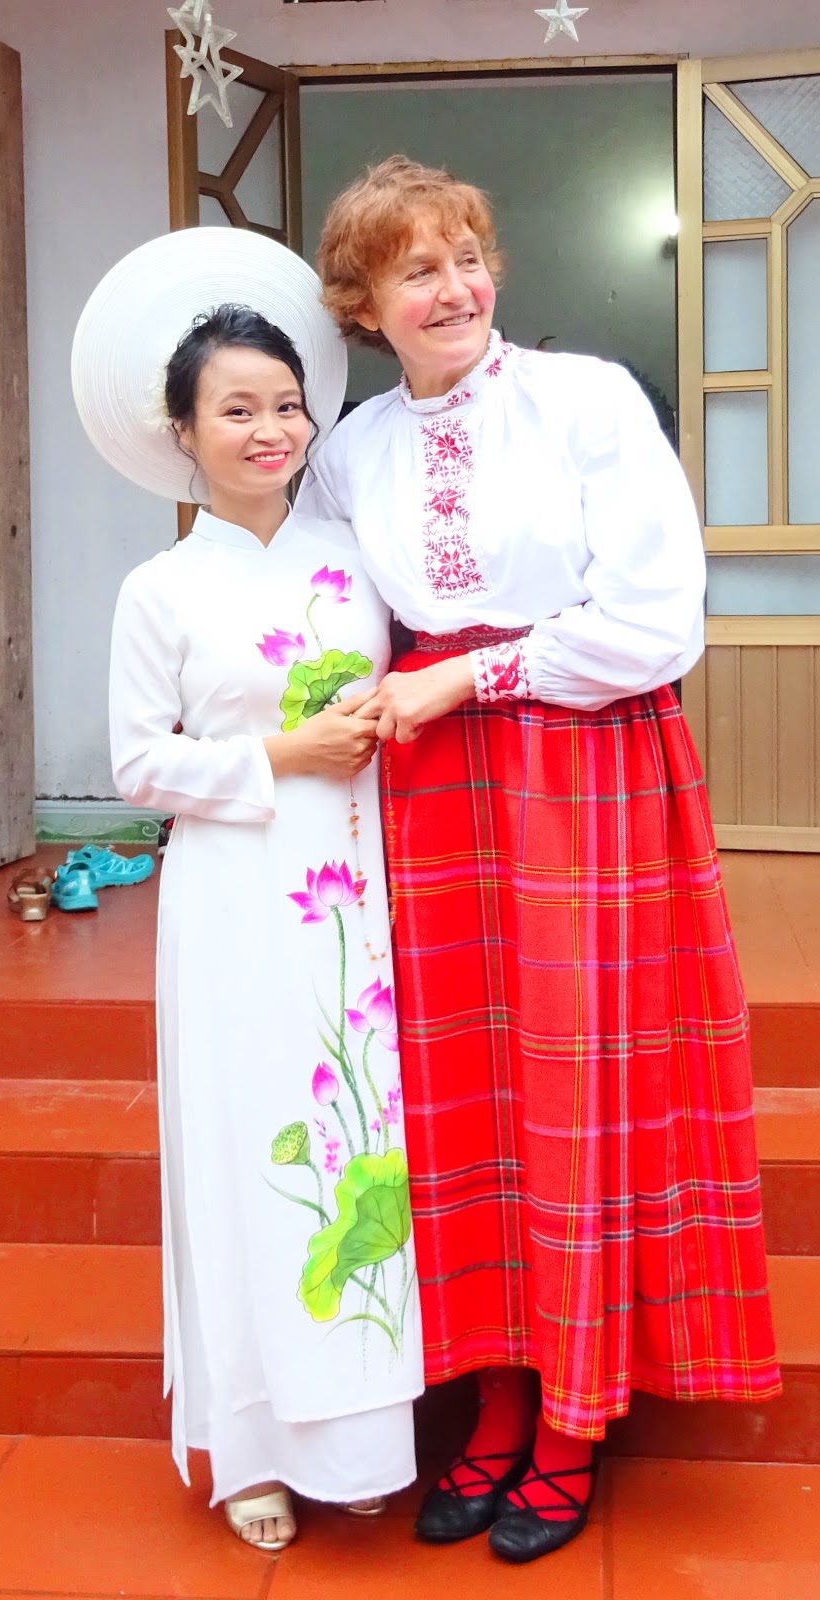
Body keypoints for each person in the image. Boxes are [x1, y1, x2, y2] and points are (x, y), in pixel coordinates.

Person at [297, 156, 781, 1565]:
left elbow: (653, 624)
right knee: (453, 1096)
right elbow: (334, 632)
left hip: (580, 765)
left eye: (467, 257)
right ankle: (497, 1406)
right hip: (426, 797)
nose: (453, 289)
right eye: (415, 271)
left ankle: (573, 1421)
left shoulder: (585, 401)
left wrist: (468, 681)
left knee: (578, 1081)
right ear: (366, 303)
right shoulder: (351, 451)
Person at [71, 229, 423, 1552]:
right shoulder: (159, 589)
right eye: (238, 409)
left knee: (355, 1146)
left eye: (286, 405)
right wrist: (280, 753)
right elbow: (136, 764)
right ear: (184, 430)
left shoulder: (355, 558)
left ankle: (364, 1432)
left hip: (355, 902)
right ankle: (250, 1453)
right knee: (242, 1159)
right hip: (228, 904)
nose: (269, 429)